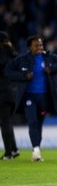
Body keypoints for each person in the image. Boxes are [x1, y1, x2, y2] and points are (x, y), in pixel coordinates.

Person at [5, 35, 57, 161]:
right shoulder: (22, 59)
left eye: (41, 45)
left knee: (39, 124)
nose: (40, 47)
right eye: (36, 45)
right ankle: (36, 150)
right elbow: (8, 71)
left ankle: (37, 148)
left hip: (44, 97)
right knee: (32, 121)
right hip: (29, 97)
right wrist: (23, 76)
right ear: (29, 47)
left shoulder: (49, 57)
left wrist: (51, 69)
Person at [0, 31, 19, 160]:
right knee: (7, 122)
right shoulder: (12, 54)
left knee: (4, 122)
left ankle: (8, 153)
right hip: (12, 92)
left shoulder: (1, 56)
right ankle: (13, 149)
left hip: (2, 92)